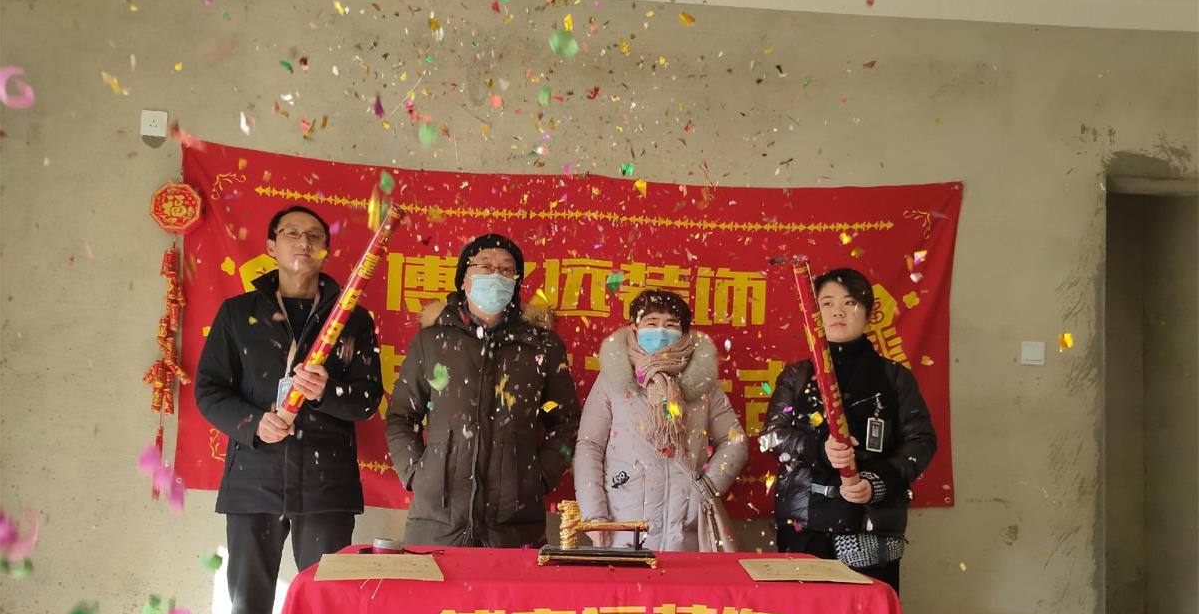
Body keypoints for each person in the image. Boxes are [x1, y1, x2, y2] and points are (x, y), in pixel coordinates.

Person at [194, 205, 383, 614]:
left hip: (326, 485)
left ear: (326, 249)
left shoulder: (351, 318)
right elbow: (209, 391)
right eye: (292, 234)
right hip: (253, 480)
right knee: (249, 612)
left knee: (330, 610)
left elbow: (368, 399)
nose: (303, 242)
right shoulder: (238, 313)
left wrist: (328, 392)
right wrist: (255, 424)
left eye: (315, 236)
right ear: (272, 245)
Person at [386, 234, 580, 547]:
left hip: (514, 526)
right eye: (485, 266)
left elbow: (564, 420)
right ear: (464, 279)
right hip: (436, 521)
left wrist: (538, 477)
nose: (496, 275)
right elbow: (401, 416)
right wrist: (417, 475)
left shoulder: (542, 346)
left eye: (506, 270)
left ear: (515, 283)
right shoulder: (431, 342)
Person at [762, 267, 936, 593]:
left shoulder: (895, 378)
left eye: (850, 302)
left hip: (870, 527)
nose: (838, 311)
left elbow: (921, 440)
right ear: (813, 315)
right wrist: (819, 449)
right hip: (805, 526)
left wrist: (876, 483)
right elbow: (771, 436)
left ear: (868, 314)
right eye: (826, 303)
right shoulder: (796, 376)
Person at [574, 289, 748, 551]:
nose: (661, 332)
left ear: (684, 332)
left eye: (671, 325)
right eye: (651, 323)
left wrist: (704, 490)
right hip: (622, 527)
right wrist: (595, 517)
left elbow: (735, 442)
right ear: (634, 327)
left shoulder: (703, 382)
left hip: (685, 532)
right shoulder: (613, 378)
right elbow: (590, 446)